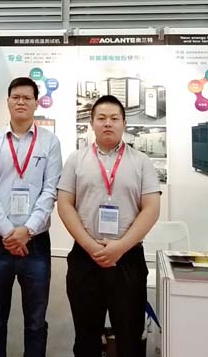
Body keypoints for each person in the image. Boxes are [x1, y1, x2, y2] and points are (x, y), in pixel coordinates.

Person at [57, 95, 160, 357]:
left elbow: (151, 209)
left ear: (124, 123)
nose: (107, 123)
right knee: (86, 336)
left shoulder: (141, 162)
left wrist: (120, 247)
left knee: (129, 335)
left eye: (114, 118)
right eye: (101, 118)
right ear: (92, 123)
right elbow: (65, 204)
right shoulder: (76, 160)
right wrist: (91, 246)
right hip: (85, 258)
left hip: (127, 259)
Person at [0, 76, 62, 357]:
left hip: (35, 244)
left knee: (36, 322)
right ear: (8, 102)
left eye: (27, 97)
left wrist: (28, 230)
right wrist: (8, 232)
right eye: (16, 97)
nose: (21, 102)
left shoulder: (50, 142)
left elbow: (51, 190)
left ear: (37, 103)